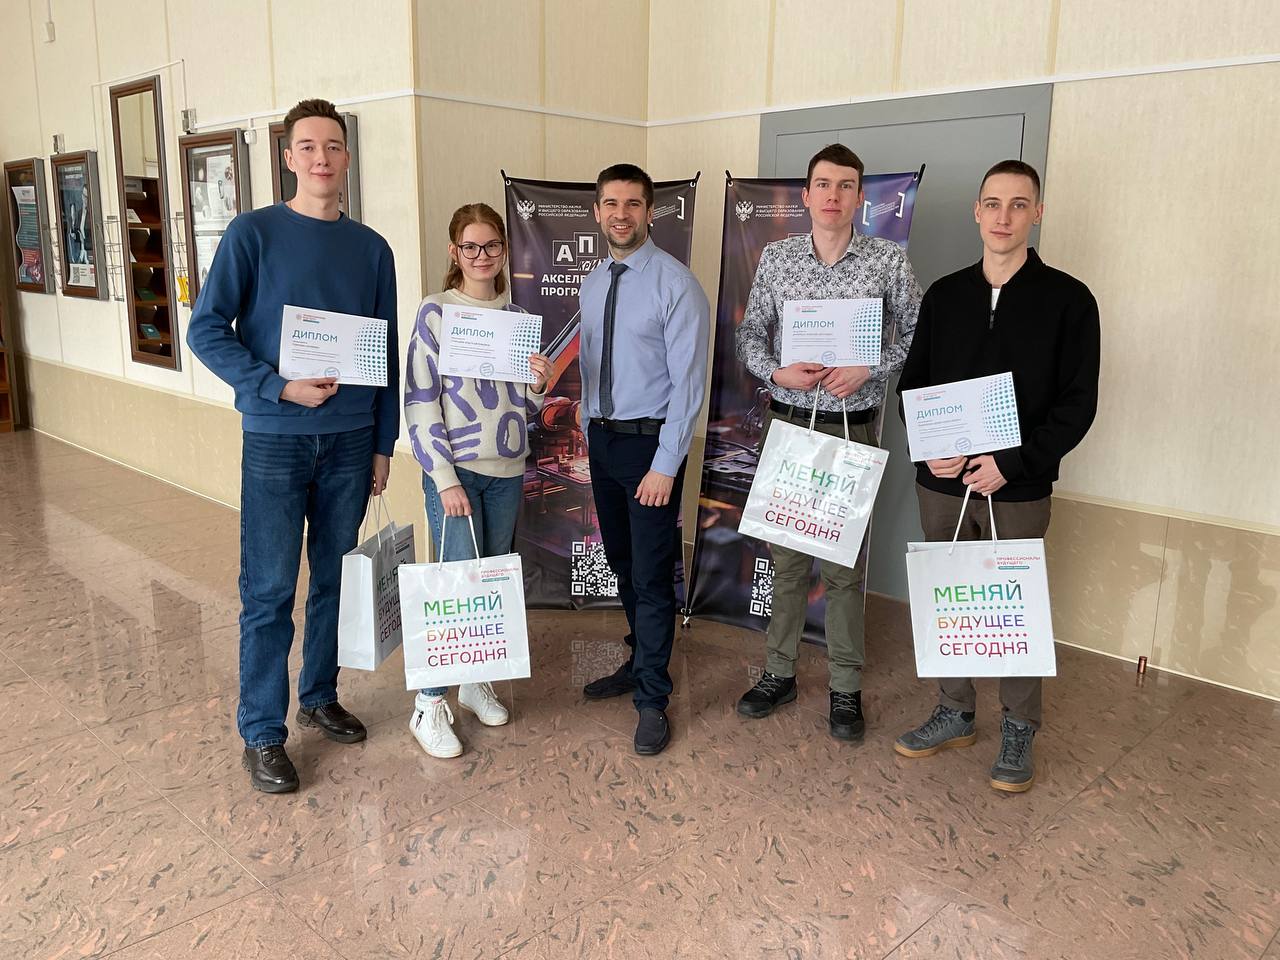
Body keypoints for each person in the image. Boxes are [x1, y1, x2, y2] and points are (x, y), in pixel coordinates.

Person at [187, 98, 399, 793]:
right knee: (270, 589)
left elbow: (385, 352)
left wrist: (383, 443)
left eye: (332, 146)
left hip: (351, 442)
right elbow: (206, 329)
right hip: (276, 439)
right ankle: (262, 732)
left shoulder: (372, 249)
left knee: (334, 579)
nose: (320, 158)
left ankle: (318, 695)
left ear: (347, 157)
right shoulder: (252, 234)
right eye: (307, 146)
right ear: (287, 157)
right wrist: (276, 386)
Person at [893, 159, 1100, 793]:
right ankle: (954, 710)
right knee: (951, 599)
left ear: (1037, 213)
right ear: (976, 213)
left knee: (1013, 605)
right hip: (942, 484)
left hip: (1018, 487)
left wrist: (1013, 463)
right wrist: (929, 449)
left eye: (1018, 204)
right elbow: (913, 384)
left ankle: (1019, 724)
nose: (1003, 216)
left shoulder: (1069, 300)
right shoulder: (945, 295)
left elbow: (1077, 405)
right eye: (992, 204)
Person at [734, 143, 922, 741]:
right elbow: (750, 336)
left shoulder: (887, 261)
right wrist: (775, 372)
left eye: (845, 186)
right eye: (823, 184)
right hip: (789, 424)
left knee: (843, 568)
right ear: (807, 195)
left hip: (851, 428)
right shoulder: (778, 257)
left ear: (860, 197)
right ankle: (778, 673)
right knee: (787, 562)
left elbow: (918, 335)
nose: (833, 196)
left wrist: (871, 367)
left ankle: (845, 686)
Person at [403, 202, 551, 758]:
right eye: (471, 246)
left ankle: (473, 681)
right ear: (454, 251)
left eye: (492, 245)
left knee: (487, 589)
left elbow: (521, 405)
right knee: (453, 589)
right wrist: (443, 478)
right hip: (458, 473)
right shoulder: (437, 312)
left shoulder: (517, 317)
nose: (482, 255)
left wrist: (538, 384)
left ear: (504, 250)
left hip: (507, 471)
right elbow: (421, 399)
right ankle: (428, 705)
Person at [577, 163, 710, 756]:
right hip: (603, 442)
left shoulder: (675, 284)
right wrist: (585, 422)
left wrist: (665, 464)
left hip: (650, 449)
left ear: (650, 212)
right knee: (623, 564)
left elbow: (689, 385)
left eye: (633, 204)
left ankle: (653, 699)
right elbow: (593, 366)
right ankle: (638, 663)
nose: (621, 214)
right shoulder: (594, 281)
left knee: (653, 577)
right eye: (611, 204)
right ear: (597, 211)